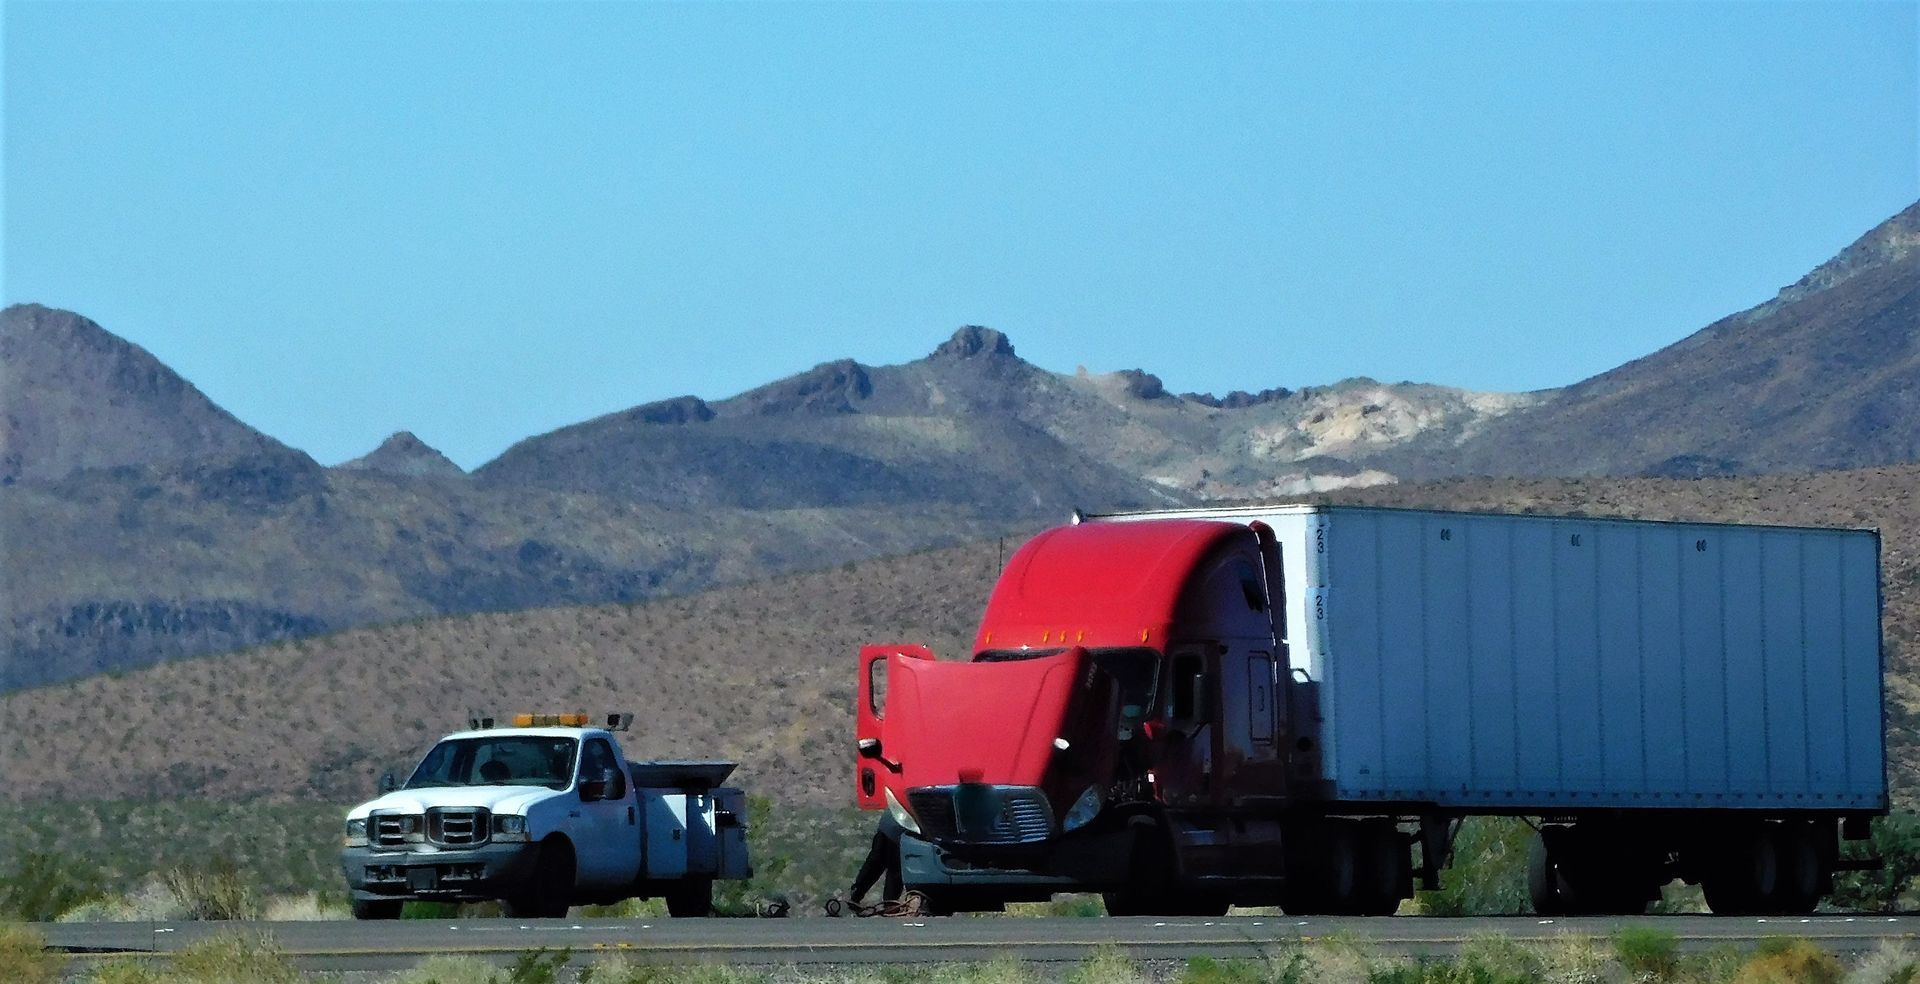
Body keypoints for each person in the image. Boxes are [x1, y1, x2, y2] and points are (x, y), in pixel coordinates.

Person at [848, 812, 903, 904]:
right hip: (897, 822)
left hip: (899, 823)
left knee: (888, 862)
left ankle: (890, 903)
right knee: (883, 859)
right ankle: (889, 903)